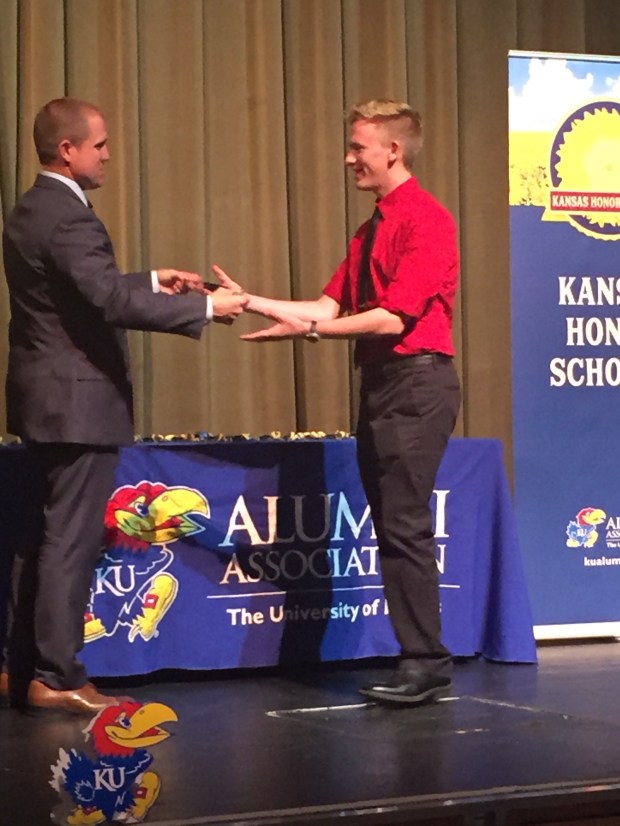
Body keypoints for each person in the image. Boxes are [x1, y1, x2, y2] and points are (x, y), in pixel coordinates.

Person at [1, 97, 247, 715]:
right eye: (100, 144)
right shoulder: (69, 217)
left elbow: (80, 291)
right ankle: (58, 676)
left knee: (39, 538)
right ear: (68, 150)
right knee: (70, 540)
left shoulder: (31, 209)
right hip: (78, 405)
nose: (109, 155)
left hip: (45, 401)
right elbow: (107, 301)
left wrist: (153, 281)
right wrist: (207, 307)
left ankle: (20, 667)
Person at [214, 99, 461, 706]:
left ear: (392, 151)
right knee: (393, 524)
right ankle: (421, 657)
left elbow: (390, 317)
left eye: (358, 147)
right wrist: (254, 302)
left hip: (416, 383)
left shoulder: (426, 219)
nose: (349, 158)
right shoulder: (370, 228)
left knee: (403, 525)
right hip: (383, 384)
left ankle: (425, 661)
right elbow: (327, 306)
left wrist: (311, 330)